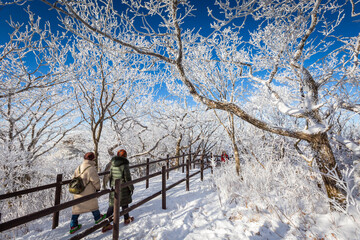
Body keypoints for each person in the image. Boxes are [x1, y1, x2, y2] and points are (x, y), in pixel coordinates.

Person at [69, 152, 106, 234]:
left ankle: (73, 225)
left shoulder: (78, 167)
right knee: (93, 205)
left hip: (78, 192)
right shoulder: (91, 168)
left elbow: (73, 178)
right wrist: (98, 188)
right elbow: (95, 181)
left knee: (76, 209)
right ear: (93, 159)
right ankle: (98, 218)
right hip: (88, 192)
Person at [102, 149, 135, 233]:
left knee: (112, 205)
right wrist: (131, 187)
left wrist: (109, 185)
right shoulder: (125, 164)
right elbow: (127, 178)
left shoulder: (112, 164)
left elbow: (110, 175)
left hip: (114, 186)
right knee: (124, 202)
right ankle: (126, 218)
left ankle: (106, 223)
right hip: (123, 186)